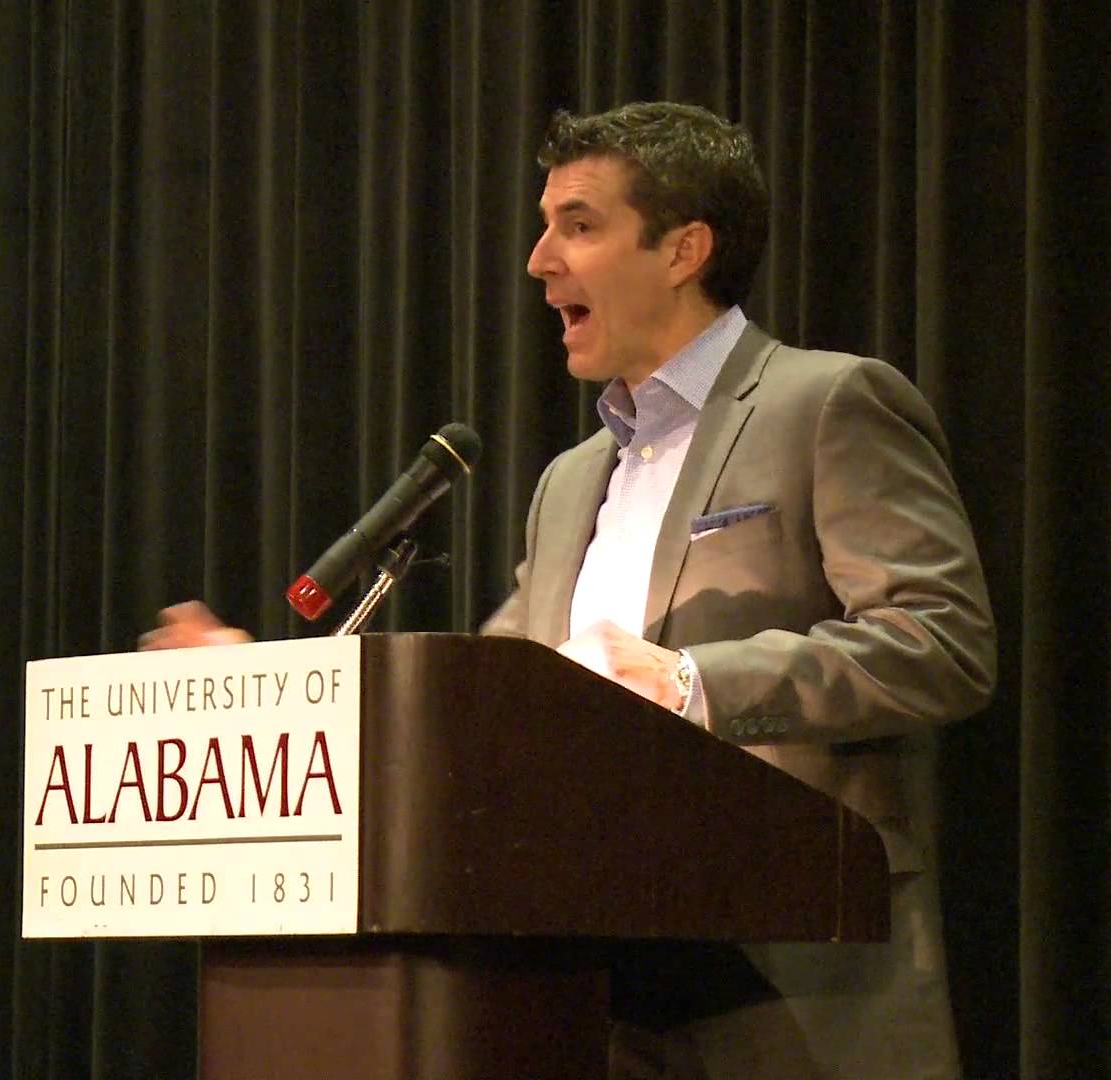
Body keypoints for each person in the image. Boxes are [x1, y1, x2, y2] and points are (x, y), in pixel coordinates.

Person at [147, 101, 995, 1080]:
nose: (538, 260)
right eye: (545, 226)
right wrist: (279, 691)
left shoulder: (827, 403)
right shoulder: (570, 480)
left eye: (578, 225)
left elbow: (941, 641)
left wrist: (691, 683)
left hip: (796, 976)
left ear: (683, 249)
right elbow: (486, 699)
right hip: (594, 984)